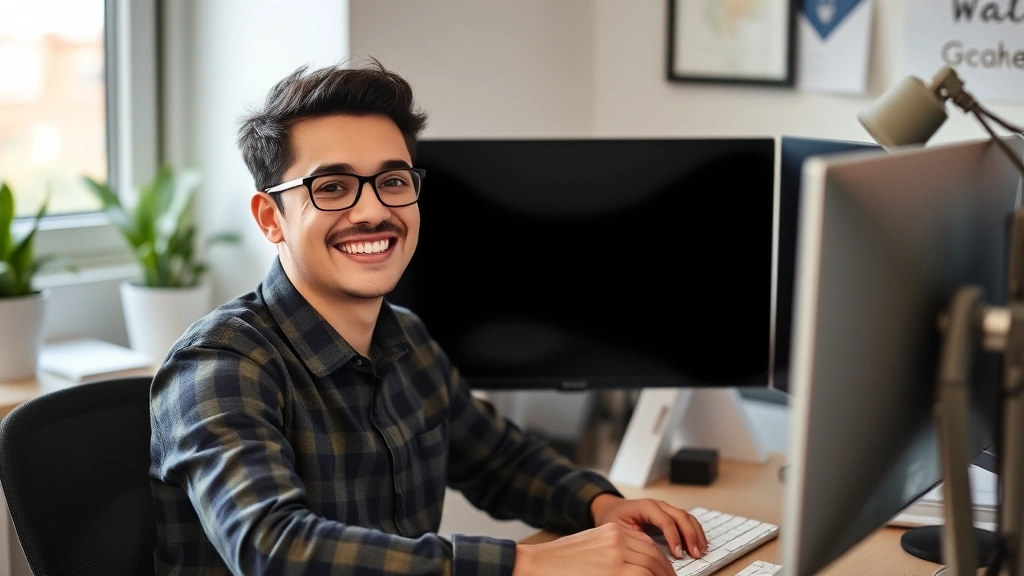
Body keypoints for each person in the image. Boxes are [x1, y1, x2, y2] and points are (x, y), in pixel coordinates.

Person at [149, 58, 707, 576]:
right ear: (271, 217)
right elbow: (275, 549)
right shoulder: (220, 365)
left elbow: (497, 460)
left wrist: (601, 504)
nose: (374, 211)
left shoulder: (406, 337)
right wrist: (527, 564)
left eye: (393, 181)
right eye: (333, 187)